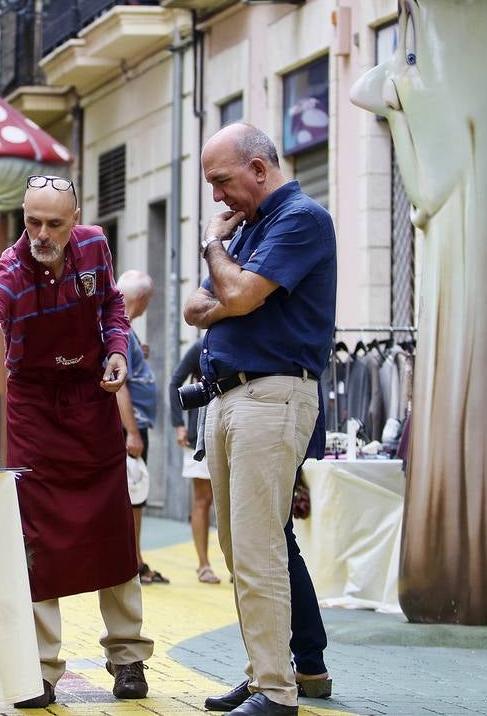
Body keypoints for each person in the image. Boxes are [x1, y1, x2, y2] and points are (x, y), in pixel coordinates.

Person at [0, 175, 153, 707]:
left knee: (113, 528)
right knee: (35, 536)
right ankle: (41, 668)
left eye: (54, 223)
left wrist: (118, 351)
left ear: (74, 220)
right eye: (32, 221)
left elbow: (112, 308)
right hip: (32, 405)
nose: (41, 233)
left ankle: (127, 657)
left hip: (89, 397)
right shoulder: (8, 272)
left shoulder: (96, 246)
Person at [184, 124, 336, 716]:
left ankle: (277, 689)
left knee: (259, 547)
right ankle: (265, 673)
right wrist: (234, 285)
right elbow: (199, 309)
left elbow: (239, 298)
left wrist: (216, 255)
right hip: (229, 397)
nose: (218, 197)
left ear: (258, 168)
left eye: (222, 181)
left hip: (271, 396)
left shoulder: (301, 218)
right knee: (237, 545)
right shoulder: (248, 229)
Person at [116, 269, 167, 584]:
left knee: (134, 494)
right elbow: (118, 383)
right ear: (143, 299)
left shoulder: (125, 329)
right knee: (133, 494)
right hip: (129, 425)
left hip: (132, 422)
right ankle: (132, 563)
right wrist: (132, 432)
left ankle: (135, 560)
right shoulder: (120, 326)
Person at [169, 338, 219, 584]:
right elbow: (175, 382)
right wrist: (178, 424)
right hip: (197, 434)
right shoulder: (201, 346)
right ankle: (203, 565)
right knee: (203, 500)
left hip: (228, 430)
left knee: (231, 501)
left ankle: (236, 566)